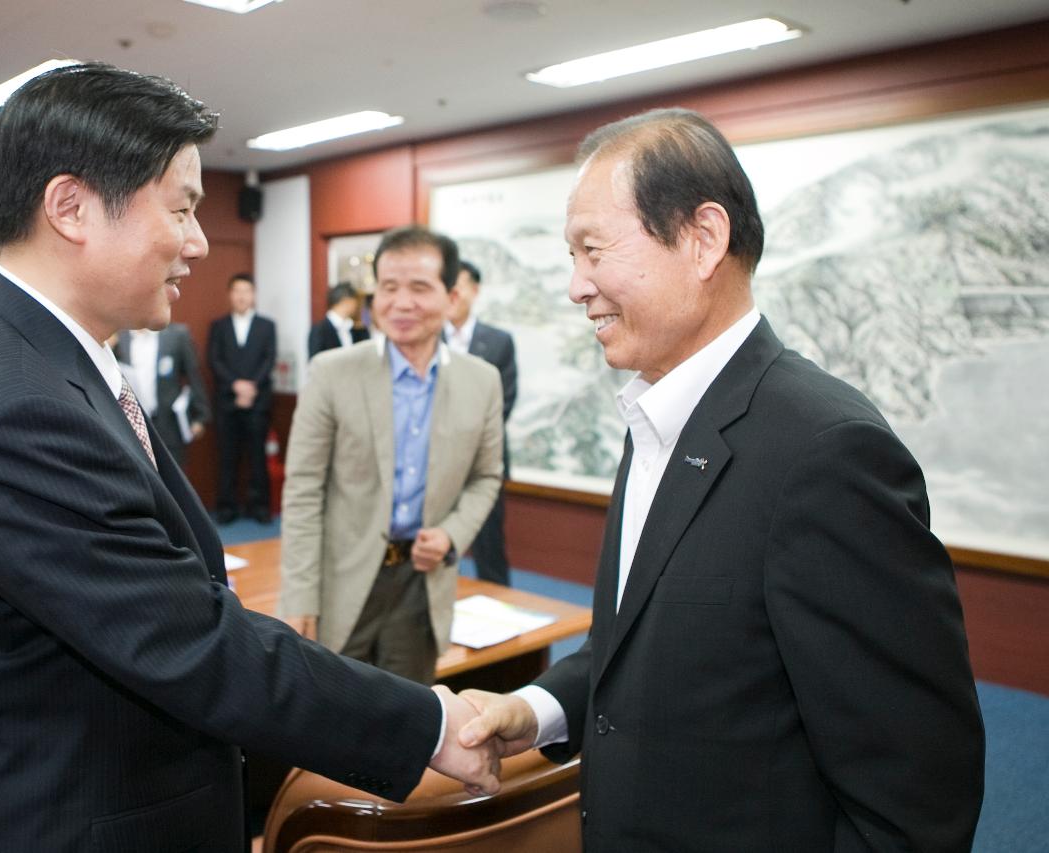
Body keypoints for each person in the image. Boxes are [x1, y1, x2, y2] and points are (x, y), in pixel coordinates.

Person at [0, 63, 498, 853]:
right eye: (181, 209)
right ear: (71, 207)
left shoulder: (21, 361)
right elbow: (194, 642)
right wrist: (430, 724)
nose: (200, 243)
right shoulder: (19, 410)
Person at [456, 109, 985, 851]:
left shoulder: (828, 454)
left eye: (593, 249)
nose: (576, 286)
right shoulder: (657, 416)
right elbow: (647, 648)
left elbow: (917, 793)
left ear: (704, 239)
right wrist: (537, 709)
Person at [280, 226, 504, 684]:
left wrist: (452, 534)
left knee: (405, 723)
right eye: (388, 287)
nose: (401, 303)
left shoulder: (482, 381)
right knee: (330, 722)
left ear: (453, 295)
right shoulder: (331, 373)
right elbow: (303, 489)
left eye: (419, 288)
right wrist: (298, 596)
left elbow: (487, 476)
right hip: (342, 578)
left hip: (421, 584)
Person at [445, 260, 517, 585]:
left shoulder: (498, 341)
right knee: (438, 547)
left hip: (483, 460)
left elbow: (504, 401)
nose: (453, 293)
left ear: (475, 291)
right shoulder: (427, 340)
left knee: (490, 547)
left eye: (459, 286)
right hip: (436, 462)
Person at [207, 273, 276, 523]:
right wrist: (236, 385)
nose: (242, 296)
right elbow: (214, 360)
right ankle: (227, 507)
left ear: (254, 295)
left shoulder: (267, 326)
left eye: (247, 291)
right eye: (237, 291)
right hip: (227, 401)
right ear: (230, 295)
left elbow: (269, 359)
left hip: (258, 402)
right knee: (228, 457)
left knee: (258, 457)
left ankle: (260, 507)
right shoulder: (219, 326)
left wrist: (251, 387)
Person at [113, 323, 211, 466]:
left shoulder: (176, 335)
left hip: (168, 422)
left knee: (173, 475)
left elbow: (194, 375)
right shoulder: (120, 338)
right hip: (132, 423)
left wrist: (201, 416)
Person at [306, 282, 369, 359]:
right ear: (346, 301)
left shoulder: (356, 329)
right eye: (355, 301)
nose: (357, 306)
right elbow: (315, 363)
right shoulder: (319, 330)